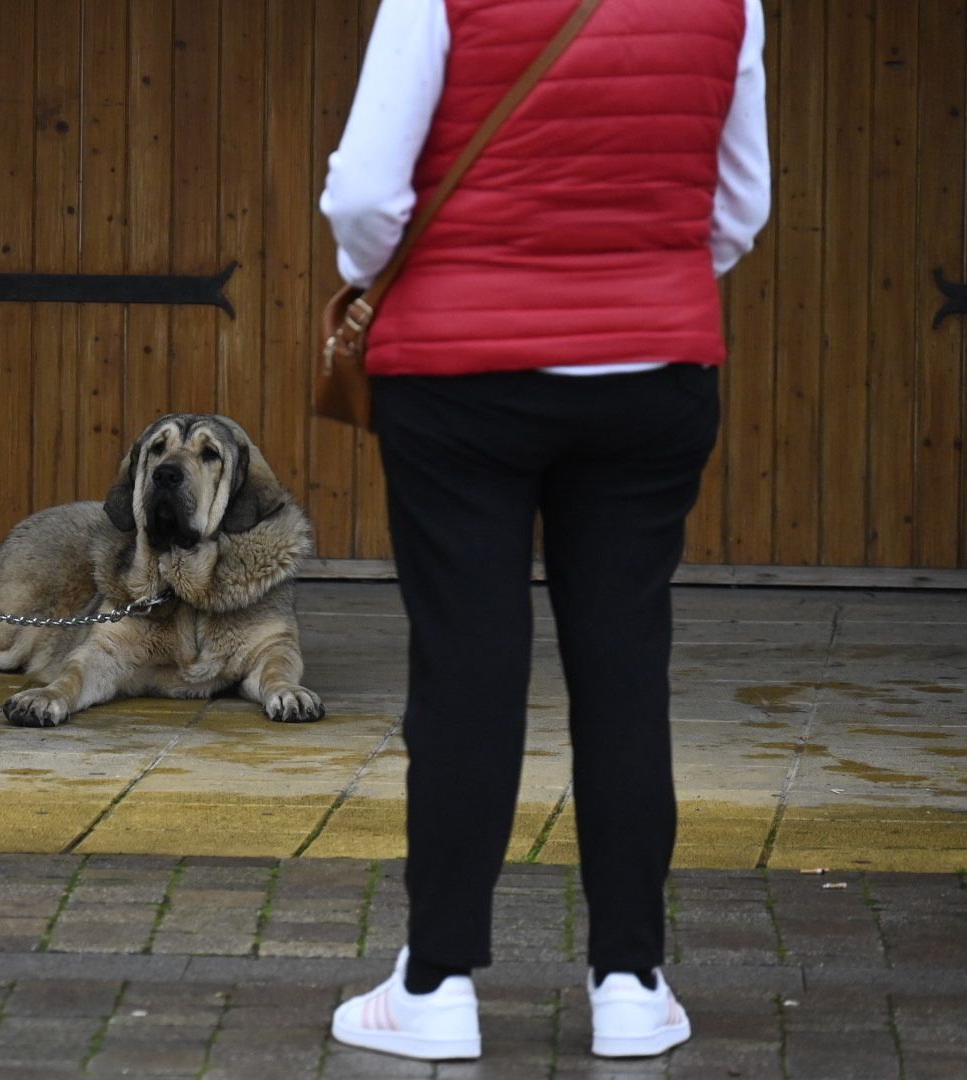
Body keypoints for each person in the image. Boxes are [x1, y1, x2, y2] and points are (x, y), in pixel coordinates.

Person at [319, 0, 769, 1062]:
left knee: (467, 667)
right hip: (652, 373)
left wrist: (384, 265)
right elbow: (737, 210)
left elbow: (369, 195)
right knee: (624, 668)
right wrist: (634, 284)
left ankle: (435, 984)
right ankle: (630, 980)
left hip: (462, 377)